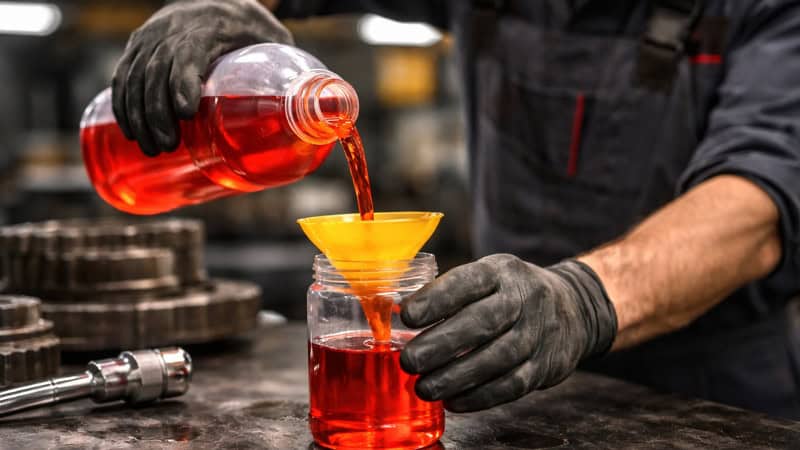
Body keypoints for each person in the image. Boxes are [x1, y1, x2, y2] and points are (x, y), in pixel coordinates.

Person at [111, 0, 800, 419]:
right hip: (504, 381)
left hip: (707, 392)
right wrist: (225, 6)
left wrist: (582, 298)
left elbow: (758, 203)